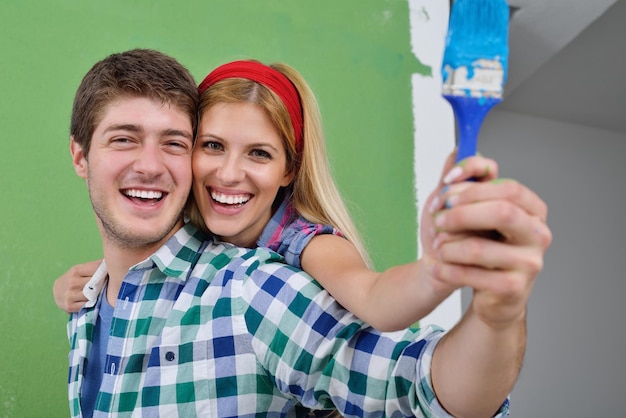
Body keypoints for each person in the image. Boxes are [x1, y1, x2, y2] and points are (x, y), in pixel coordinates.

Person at [65, 48, 551, 417]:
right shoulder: (91, 303)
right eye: (124, 139)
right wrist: (93, 284)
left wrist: (489, 307)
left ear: (288, 171)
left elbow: (412, 379)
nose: (229, 174)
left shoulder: (262, 282)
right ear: (80, 156)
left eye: (173, 143)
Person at [56, 59, 501, 332]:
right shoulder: (187, 236)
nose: (229, 174)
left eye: (259, 154)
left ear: (289, 168)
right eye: (212, 146)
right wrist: (81, 284)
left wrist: (437, 270)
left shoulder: (307, 243)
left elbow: (377, 299)